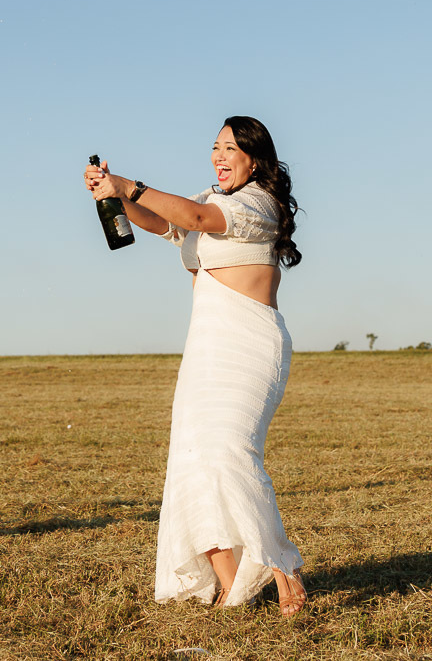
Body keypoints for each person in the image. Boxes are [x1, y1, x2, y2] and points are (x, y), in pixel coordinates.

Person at [83, 116, 306, 617]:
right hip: (204, 346)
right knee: (192, 458)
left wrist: (131, 185)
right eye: (215, 147)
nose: (219, 156)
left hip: (249, 343)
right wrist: (116, 197)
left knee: (230, 451)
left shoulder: (257, 203)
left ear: (255, 158)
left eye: (230, 148)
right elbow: (166, 223)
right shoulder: (208, 196)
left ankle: (282, 567)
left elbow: (198, 220)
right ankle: (231, 585)